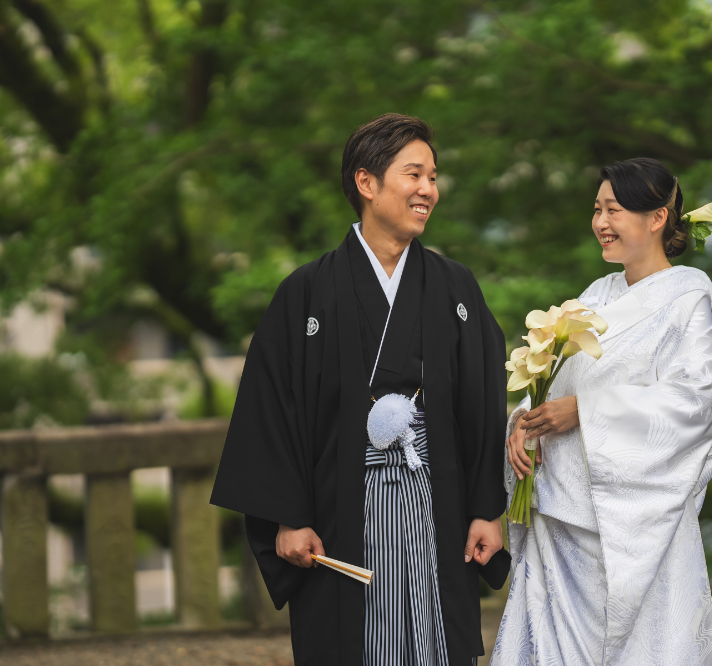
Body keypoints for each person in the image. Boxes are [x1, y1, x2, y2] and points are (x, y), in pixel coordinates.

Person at [211, 113, 510, 666]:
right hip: (340, 517)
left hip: (436, 511)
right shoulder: (306, 293)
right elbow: (270, 409)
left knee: (435, 644)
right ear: (366, 183)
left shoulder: (455, 286)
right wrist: (288, 516)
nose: (428, 190)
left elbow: (485, 404)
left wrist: (487, 509)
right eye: (413, 175)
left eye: (433, 177)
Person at [492, 157, 712, 666]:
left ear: (658, 217)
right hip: (565, 515)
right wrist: (522, 424)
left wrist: (586, 411)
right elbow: (554, 386)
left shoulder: (686, 298)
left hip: (638, 519)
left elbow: (695, 400)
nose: (600, 222)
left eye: (615, 210)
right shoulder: (595, 297)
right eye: (597, 209)